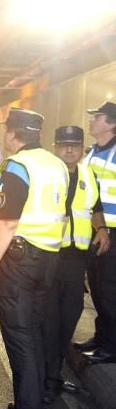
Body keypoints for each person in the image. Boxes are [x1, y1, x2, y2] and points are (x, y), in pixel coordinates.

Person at [0, 108, 69, 409]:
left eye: (7, 130)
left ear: (14, 133)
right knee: (33, 333)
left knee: (19, 338)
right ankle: (30, 405)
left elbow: (7, 221)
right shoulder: (56, 164)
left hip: (21, 260)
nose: (5, 135)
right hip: (49, 259)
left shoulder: (19, 166)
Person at [42, 125, 97, 400]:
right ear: (55, 147)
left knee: (69, 317)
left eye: (74, 145)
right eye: (64, 144)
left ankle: (53, 375)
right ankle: (46, 379)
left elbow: (94, 207)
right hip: (51, 256)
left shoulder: (88, 173)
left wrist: (102, 231)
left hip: (77, 259)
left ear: (81, 147)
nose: (69, 149)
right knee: (49, 321)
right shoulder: (48, 174)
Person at [79, 101, 116, 364]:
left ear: (112, 124)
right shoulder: (92, 152)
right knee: (98, 287)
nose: (91, 120)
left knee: (109, 289)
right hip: (97, 228)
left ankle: (111, 346)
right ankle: (101, 337)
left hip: (113, 232)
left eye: (98, 117)